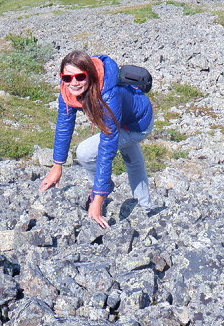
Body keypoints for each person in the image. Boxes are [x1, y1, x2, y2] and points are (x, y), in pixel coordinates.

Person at [39, 49, 154, 228]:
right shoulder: (67, 91)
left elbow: (108, 146)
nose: (74, 83)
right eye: (67, 78)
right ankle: (145, 209)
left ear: (90, 75)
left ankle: (105, 191)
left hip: (138, 123)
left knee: (85, 153)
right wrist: (57, 165)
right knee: (133, 160)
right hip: (121, 118)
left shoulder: (108, 94)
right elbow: (64, 125)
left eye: (80, 77)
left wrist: (98, 198)